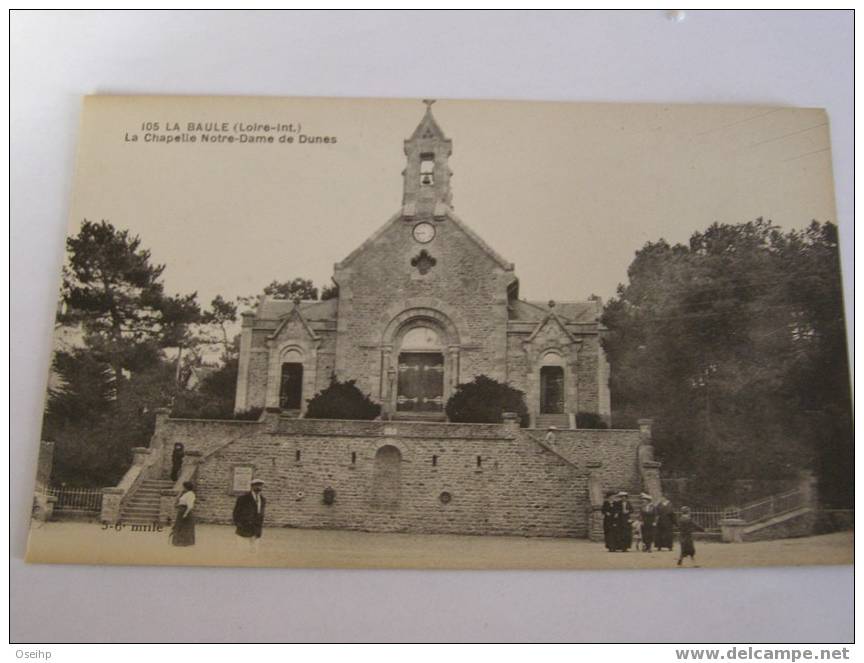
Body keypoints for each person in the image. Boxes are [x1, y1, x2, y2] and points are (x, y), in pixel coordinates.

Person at [233, 478, 266, 552]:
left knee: (254, 552)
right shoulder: (243, 498)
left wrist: (259, 527)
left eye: (260, 485)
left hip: (256, 530)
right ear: (252, 486)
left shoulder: (263, 499)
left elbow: (261, 514)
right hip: (244, 530)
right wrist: (239, 525)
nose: (258, 487)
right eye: (256, 485)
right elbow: (236, 513)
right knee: (243, 552)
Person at [170, 481, 196, 547]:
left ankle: (184, 542)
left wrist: (185, 514)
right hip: (181, 511)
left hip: (185, 511)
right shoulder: (185, 494)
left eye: (184, 487)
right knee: (179, 526)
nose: (183, 488)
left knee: (184, 527)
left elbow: (190, 506)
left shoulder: (191, 494)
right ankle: (178, 542)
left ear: (186, 487)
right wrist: (179, 494)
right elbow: (177, 502)